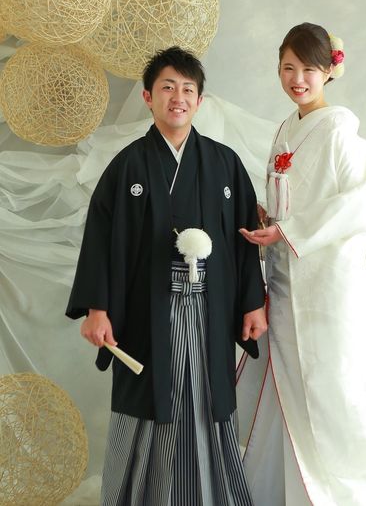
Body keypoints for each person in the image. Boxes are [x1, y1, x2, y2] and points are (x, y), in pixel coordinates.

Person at [66, 46, 267, 506]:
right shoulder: (128, 166)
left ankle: (210, 494)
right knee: (151, 396)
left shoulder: (224, 163)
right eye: (167, 88)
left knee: (207, 396)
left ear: (199, 101)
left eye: (188, 90)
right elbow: (100, 239)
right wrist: (98, 308)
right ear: (148, 97)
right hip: (145, 311)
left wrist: (252, 302)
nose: (178, 98)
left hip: (211, 307)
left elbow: (244, 239)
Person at [238, 23, 366, 505]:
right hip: (286, 280)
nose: (297, 79)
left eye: (308, 69)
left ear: (328, 72)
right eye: (288, 68)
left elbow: (360, 205)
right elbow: (291, 201)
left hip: (329, 286)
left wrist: (288, 231)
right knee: (289, 382)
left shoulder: (340, 131)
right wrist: (270, 219)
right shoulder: (285, 130)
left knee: (336, 386)